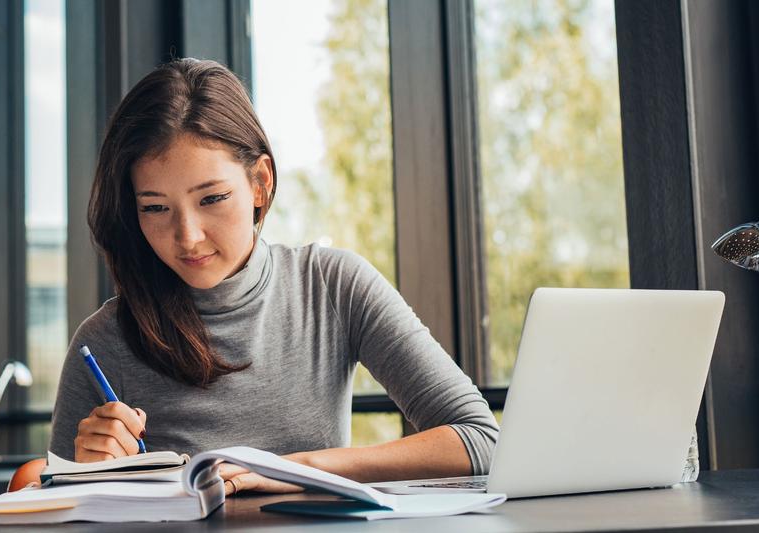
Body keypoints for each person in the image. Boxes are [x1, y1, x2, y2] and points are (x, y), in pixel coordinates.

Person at [49, 58, 499, 496]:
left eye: (212, 199)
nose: (187, 236)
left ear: (260, 182)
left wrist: (299, 468)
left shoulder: (333, 286)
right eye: (155, 208)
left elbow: (482, 441)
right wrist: (86, 475)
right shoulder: (106, 340)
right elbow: (46, 499)